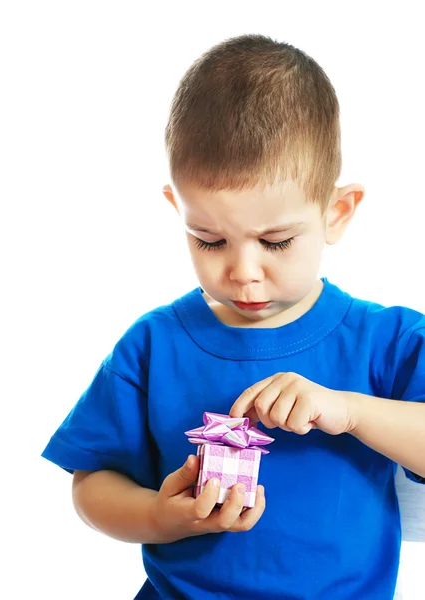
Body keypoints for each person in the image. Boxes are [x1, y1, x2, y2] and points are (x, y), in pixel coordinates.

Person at [41, 34, 425, 599]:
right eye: (210, 239)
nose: (243, 272)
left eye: (275, 242)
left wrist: (349, 410)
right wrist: (161, 516)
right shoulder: (153, 344)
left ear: (336, 213)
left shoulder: (388, 341)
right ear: (179, 210)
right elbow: (91, 484)